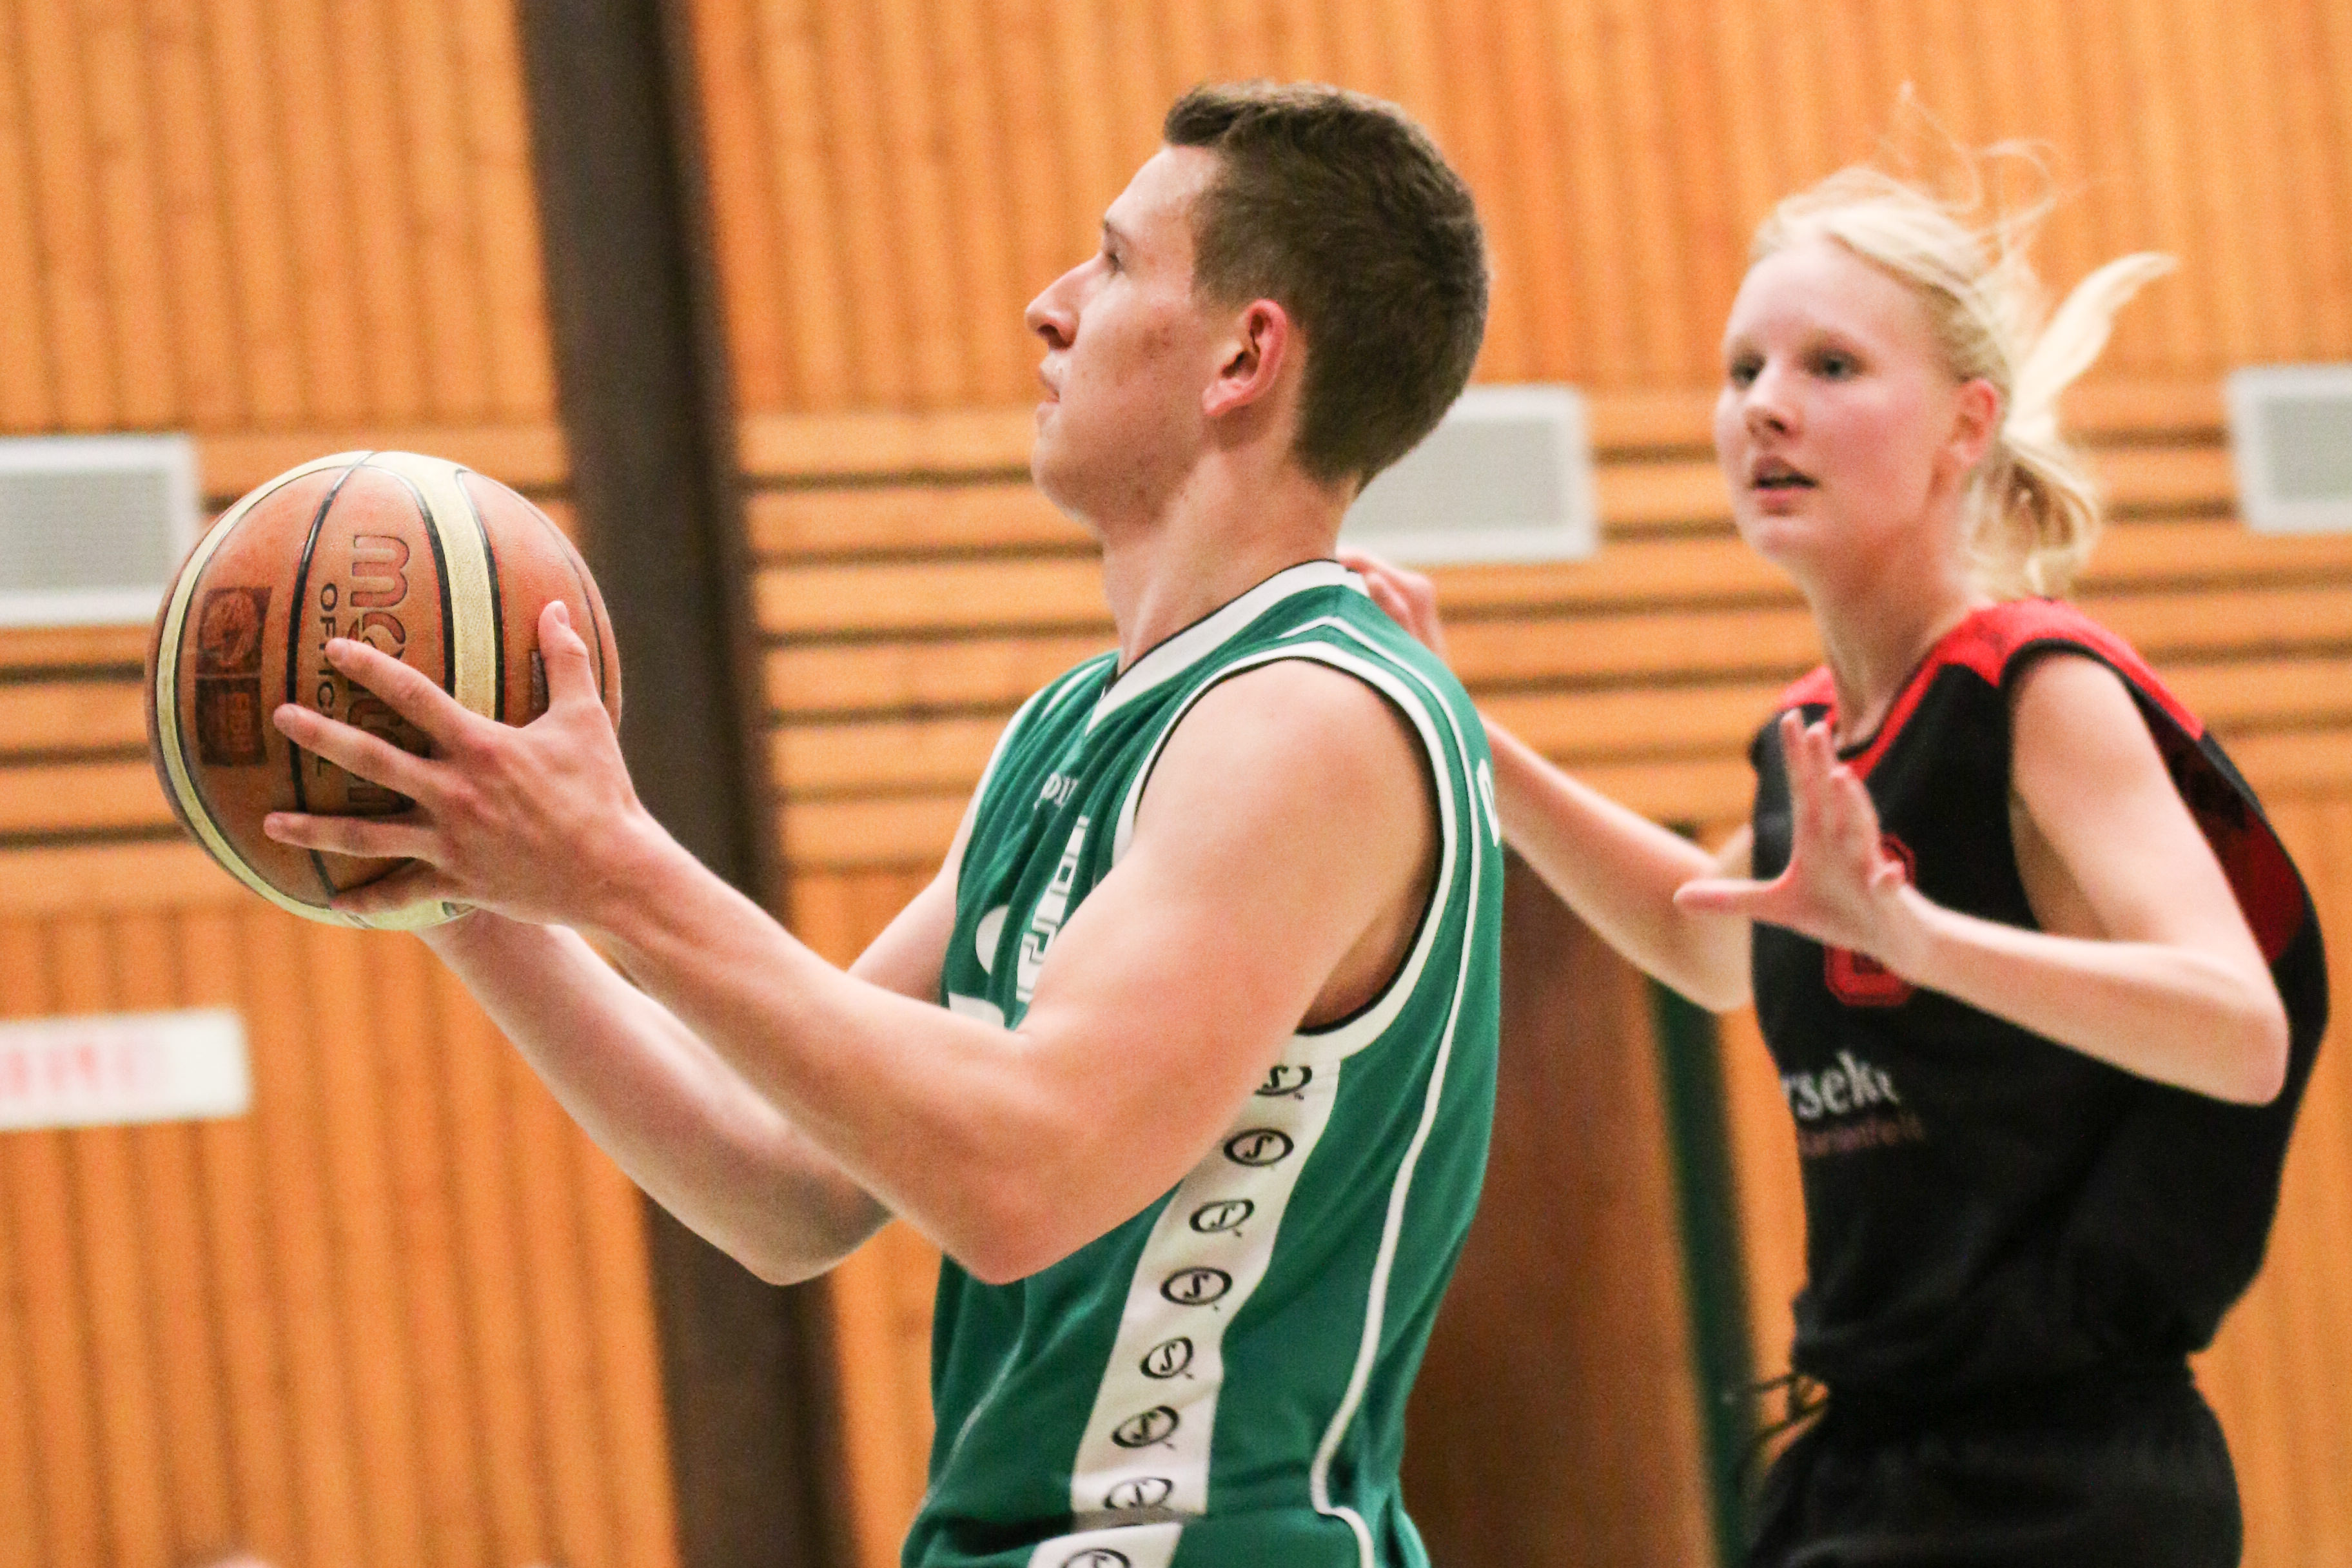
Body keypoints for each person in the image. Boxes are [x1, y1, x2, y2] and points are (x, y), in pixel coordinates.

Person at [264, 83, 1500, 1568]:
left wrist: (613, 865)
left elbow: (1026, 1171)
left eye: (1114, 263)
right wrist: (452, 870)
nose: (1051, 306)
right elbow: (786, 1183)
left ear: (1245, 355)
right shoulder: (1081, 727)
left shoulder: (1309, 717)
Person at [1349, 156, 2328, 1567]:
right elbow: (1707, 938)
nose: (1766, 404)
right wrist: (1464, 733)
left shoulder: (2035, 692)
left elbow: (2239, 1030)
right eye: (1742, 368)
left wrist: (1920, 940)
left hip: (2062, 1484)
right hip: (1871, 1463)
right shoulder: (1815, 736)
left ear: (1964, 425)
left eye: (1831, 365)